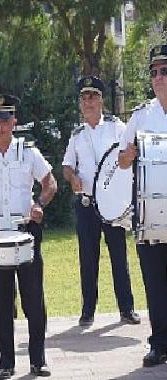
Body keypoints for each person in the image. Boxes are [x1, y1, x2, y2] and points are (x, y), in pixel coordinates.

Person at [0, 95, 57, 379]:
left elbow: (50, 182)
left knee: (33, 300)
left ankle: (38, 359)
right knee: (0, 303)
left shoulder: (28, 152)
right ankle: (6, 361)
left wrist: (40, 203)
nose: (0, 127)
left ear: (14, 122)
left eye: (5, 121)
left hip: (25, 231)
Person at [62, 76, 140, 327]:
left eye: (93, 97)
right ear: (80, 104)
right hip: (86, 204)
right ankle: (88, 311)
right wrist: (72, 177)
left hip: (113, 204)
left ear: (101, 100)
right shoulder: (76, 135)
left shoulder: (117, 127)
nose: (88, 102)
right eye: (84, 98)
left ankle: (127, 309)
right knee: (88, 258)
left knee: (119, 255)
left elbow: (131, 151)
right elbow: (66, 165)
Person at [119, 43, 167, 367]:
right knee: (154, 281)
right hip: (150, 213)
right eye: (154, 72)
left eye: (165, 71)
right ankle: (160, 343)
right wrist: (130, 155)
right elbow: (122, 161)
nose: (159, 77)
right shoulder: (140, 115)